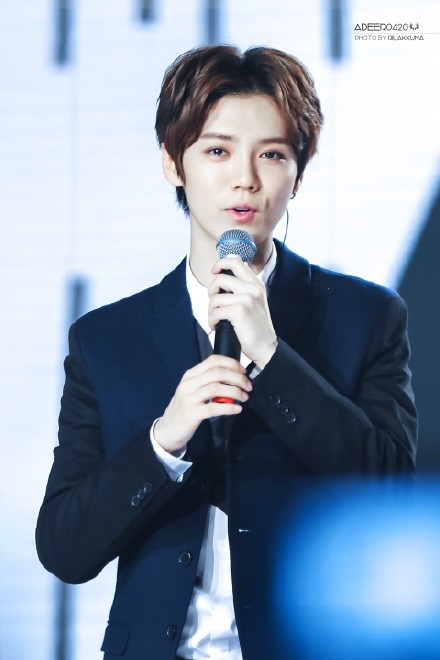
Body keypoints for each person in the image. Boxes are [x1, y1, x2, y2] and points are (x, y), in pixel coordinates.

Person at [36, 45, 417, 660]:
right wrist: (164, 440)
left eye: (272, 154)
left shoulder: (364, 316)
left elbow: (391, 498)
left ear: (299, 173)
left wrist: (271, 355)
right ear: (173, 162)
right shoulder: (106, 339)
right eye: (217, 151)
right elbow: (64, 549)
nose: (246, 179)